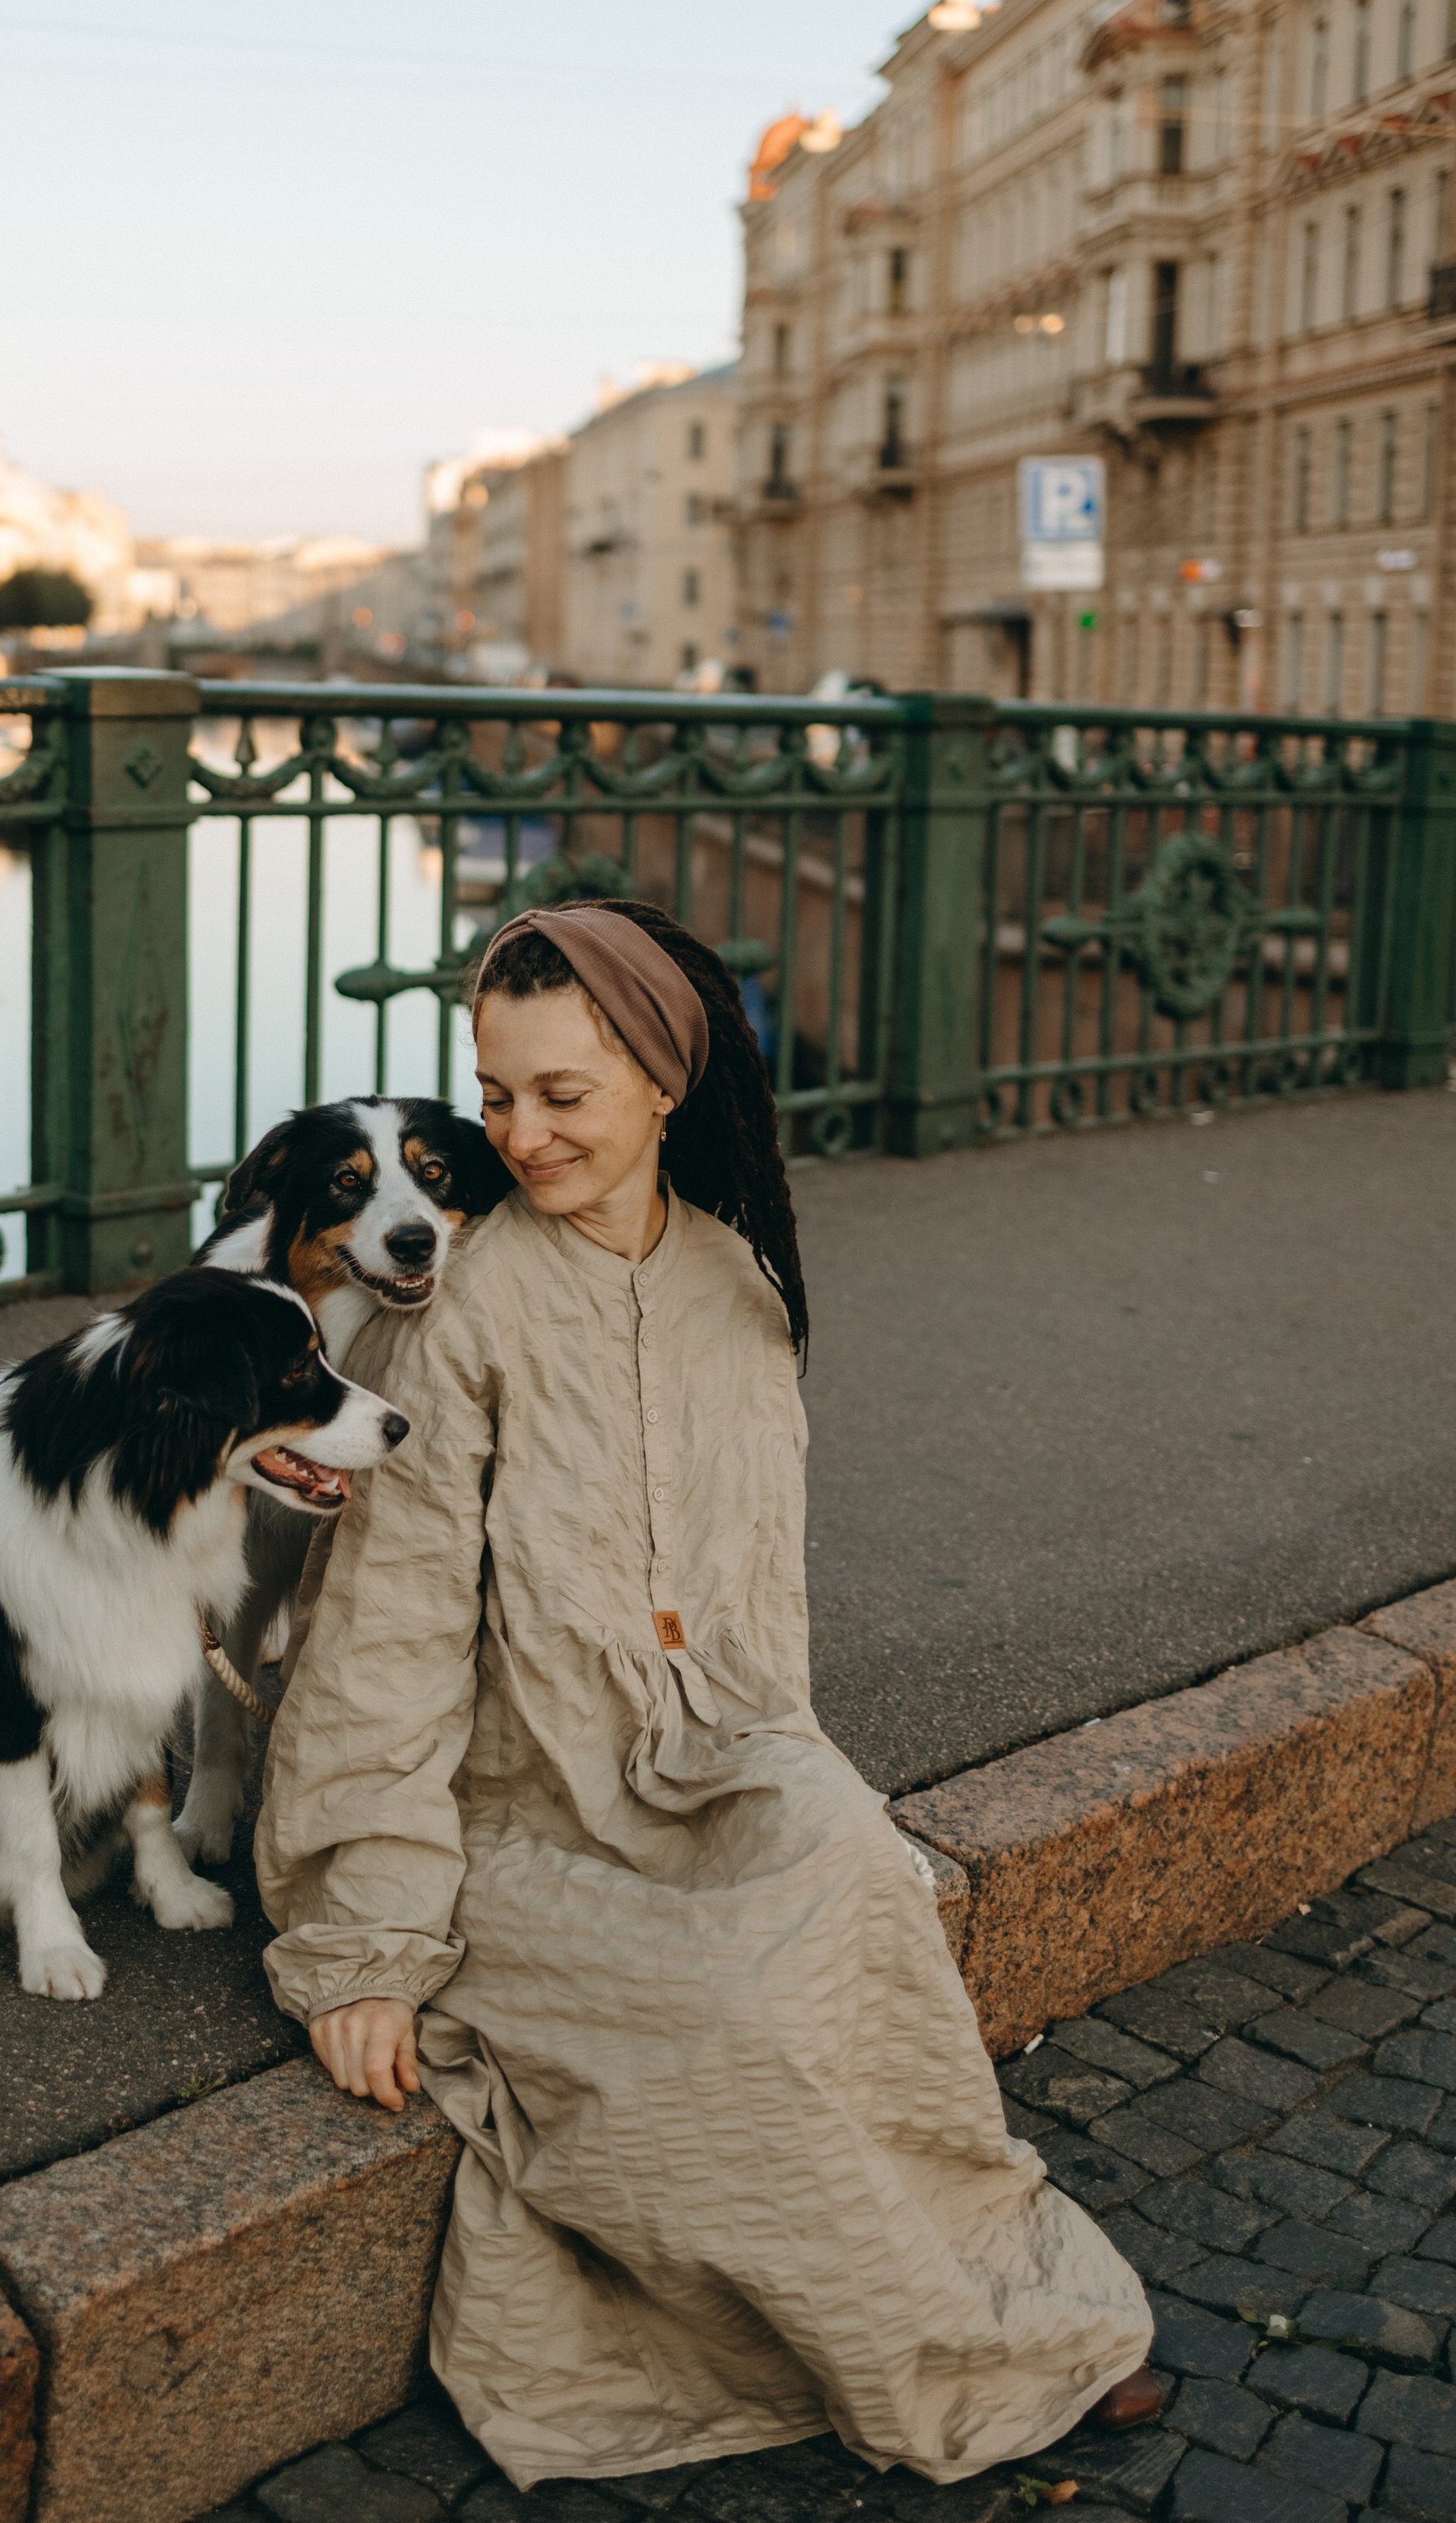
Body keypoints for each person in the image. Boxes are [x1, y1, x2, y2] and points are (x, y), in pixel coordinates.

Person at [255, 898, 1156, 2497]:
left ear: (665, 1081)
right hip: (523, 1813)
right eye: (494, 1094)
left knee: (857, 1880)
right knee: (732, 2010)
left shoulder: (737, 1282)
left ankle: (997, 2308)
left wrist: (765, 1780)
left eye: (560, 1097)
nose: (516, 1136)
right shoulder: (460, 1308)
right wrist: (365, 1942)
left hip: (723, 1754)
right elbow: (377, 1638)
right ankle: (939, 2356)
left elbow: (750, 1588)